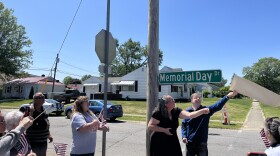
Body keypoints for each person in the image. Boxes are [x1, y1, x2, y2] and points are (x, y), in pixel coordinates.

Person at [181, 90, 238, 156]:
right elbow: (184, 125)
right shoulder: (187, 112)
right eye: (196, 97)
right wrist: (184, 136)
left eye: (199, 97)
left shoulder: (206, 110)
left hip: (202, 142)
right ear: (191, 100)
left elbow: (217, 105)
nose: (198, 99)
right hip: (190, 142)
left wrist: (227, 96)